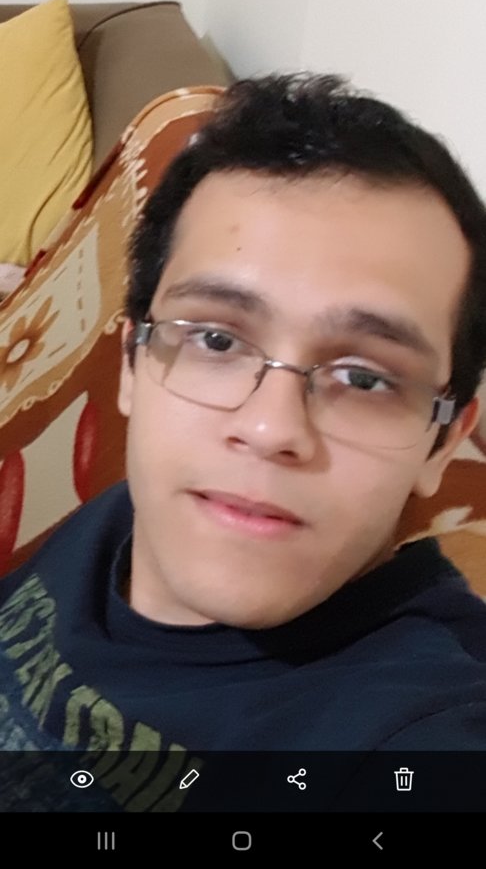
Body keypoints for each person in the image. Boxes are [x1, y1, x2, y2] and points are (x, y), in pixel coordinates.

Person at [1, 73, 486, 814]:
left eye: (364, 379)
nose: (268, 429)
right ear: (133, 364)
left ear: (443, 442)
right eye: (217, 340)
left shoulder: (414, 734)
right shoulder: (127, 517)